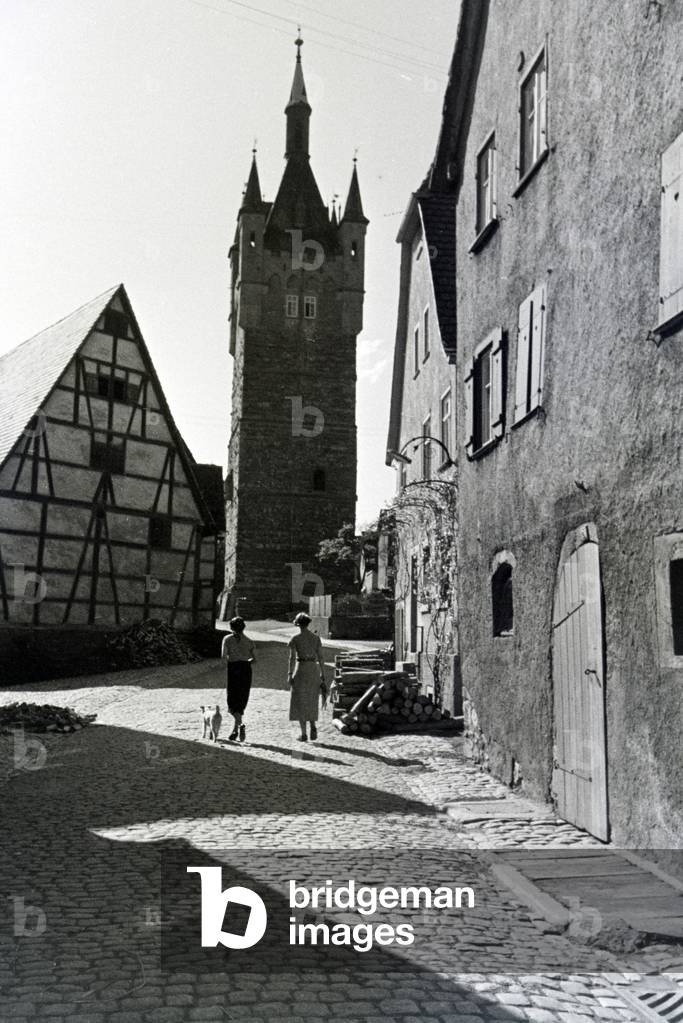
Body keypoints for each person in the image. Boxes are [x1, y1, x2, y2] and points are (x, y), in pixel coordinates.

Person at [287, 612, 326, 741]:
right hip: (313, 669)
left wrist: (290, 674)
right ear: (308, 623)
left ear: (298, 624)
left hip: (301, 668)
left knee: (300, 700)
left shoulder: (295, 638)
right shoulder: (316, 638)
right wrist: (322, 675)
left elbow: (292, 658)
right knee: (312, 699)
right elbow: (320, 657)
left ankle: (304, 734)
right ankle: (313, 725)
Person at [221, 616, 256, 742]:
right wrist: (245, 660)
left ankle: (239, 725)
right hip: (246, 669)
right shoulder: (250, 641)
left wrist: (232, 659)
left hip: (233, 668)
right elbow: (254, 659)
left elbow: (223, 656)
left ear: (231, 627)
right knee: (241, 698)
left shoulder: (227, 639)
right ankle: (235, 730)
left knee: (232, 699)